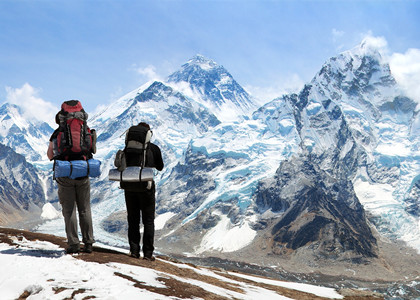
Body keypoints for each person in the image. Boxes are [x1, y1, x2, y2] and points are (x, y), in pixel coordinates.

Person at [47, 100, 95, 254]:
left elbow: (50, 155)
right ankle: (88, 243)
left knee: (69, 210)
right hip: (83, 172)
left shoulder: (57, 133)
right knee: (85, 209)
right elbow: (92, 149)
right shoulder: (86, 130)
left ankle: (74, 244)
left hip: (65, 173)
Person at [120, 122, 164, 260]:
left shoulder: (127, 148)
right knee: (148, 221)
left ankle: (134, 251)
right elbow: (160, 167)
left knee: (133, 220)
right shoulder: (154, 149)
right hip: (147, 187)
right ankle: (148, 254)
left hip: (129, 187)